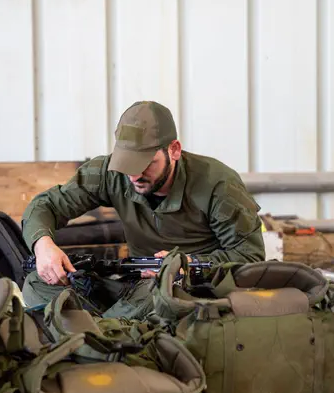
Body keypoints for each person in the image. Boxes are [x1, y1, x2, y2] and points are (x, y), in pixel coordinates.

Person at [20, 100, 265, 319]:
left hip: (189, 289)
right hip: (132, 282)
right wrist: (43, 246)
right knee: (37, 282)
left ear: (174, 150)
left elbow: (250, 257)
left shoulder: (219, 185)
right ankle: (107, 330)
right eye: (127, 163)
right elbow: (46, 205)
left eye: (146, 164)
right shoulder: (110, 173)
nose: (134, 175)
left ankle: (97, 333)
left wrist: (188, 264)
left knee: (157, 295)